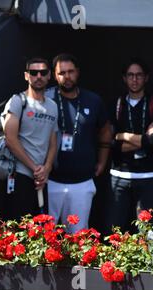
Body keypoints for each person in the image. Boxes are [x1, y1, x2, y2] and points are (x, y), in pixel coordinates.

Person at [45, 53, 112, 233]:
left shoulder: (93, 100)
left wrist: (102, 161)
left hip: (82, 182)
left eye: (71, 72)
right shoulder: (45, 99)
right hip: (50, 181)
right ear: (54, 74)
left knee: (78, 236)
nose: (67, 77)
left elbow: (106, 130)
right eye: (62, 73)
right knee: (44, 237)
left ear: (78, 73)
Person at [2, 57, 58, 220]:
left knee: (39, 232)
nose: (38, 76)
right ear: (27, 76)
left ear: (49, 76)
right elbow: (10, 139)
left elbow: (53, 142)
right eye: (34, 72)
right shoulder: (18, 101)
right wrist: (34, 168)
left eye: (43, 72)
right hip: (21, 175)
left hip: (41, 178)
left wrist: (46, 169)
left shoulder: (52, 106)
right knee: (18, 230)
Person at [105, 58, 153, 234]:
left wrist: (123, 136)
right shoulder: (115, 104)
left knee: (147, 232)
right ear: (124, 78)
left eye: (139, 75)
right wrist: (144, 141)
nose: (135, 80)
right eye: (131, 75)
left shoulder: (152, 103)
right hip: (119, 175)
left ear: (146, 78)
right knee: (115, 229)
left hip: (149, 176)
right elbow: (110, 143)